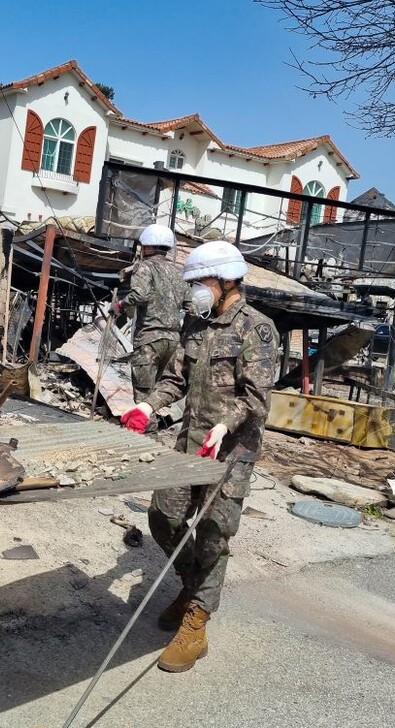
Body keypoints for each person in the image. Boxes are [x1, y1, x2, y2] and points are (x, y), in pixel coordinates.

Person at [120, 240, 279, 673]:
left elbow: (257, 398)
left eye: (201, 281)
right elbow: (175, 378)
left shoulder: (257, 329)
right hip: (191, 442)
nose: (194, 291)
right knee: (163, 517)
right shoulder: (196, 323)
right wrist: (147, 406)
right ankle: (193, 587)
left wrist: (224, 425)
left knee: (213, 533)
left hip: (231, 450)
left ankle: (197, 621)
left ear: (227, 280)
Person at [112, 223, 188, 407]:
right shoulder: (177, 272)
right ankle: (153, 425)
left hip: (149, 339)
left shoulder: (144, 267)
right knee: (158, 391)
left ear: (147, 246)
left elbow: (141, 294)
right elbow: (190, 304)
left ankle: (144, 430)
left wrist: (120, 305)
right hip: (172, 340)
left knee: (143, 391)